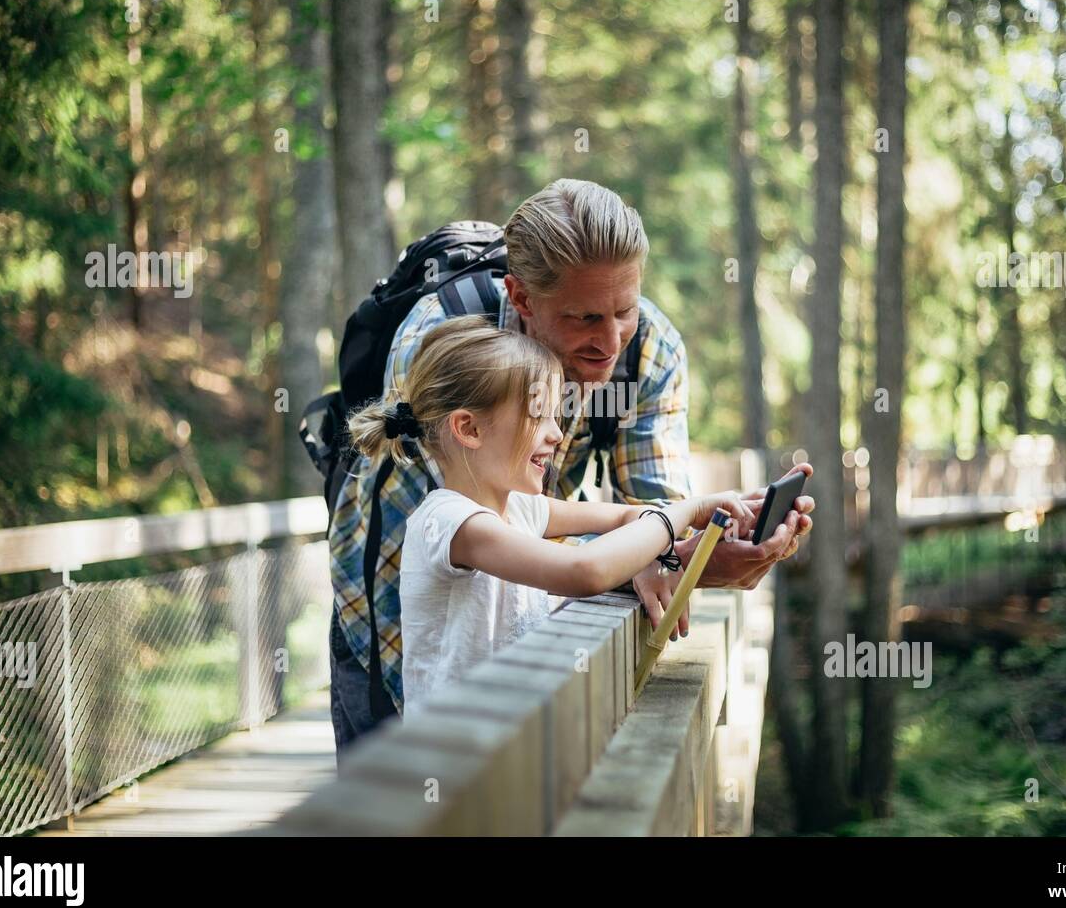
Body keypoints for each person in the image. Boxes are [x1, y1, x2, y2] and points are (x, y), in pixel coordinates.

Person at [329, 178, 814, 758]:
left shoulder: (650, 349)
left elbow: (639, 514)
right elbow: (515, 548)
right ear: (522, 297)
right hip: (387, 636)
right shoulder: (443, 342)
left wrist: (695, 552)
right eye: (584, 318)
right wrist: (668, 536)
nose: (609, 342)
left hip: (515, 679)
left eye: (624, 310)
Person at [347, 316, 750, 710]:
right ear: (469, 429)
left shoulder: (521, 509)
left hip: (514, 748)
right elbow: (584, 571)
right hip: (456, 764)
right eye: (538, 415)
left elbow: (625, 517)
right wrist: (683, 513)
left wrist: (659, 548)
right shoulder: (452, 524)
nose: (556, 434)